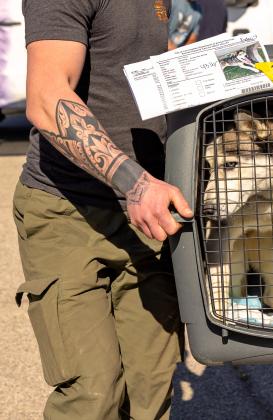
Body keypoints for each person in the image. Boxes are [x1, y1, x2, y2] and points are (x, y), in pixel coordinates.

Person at [14, 0, 193, 418]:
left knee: (151, 389)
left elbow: (135, 67)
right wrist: (135, 181)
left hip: (149, 219)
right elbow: (45, 97)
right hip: (67, 210)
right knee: (92, 395)